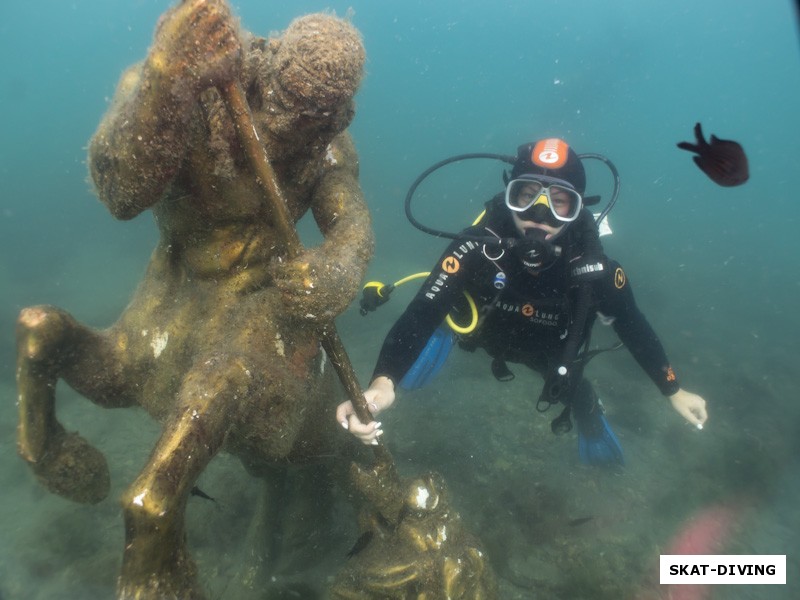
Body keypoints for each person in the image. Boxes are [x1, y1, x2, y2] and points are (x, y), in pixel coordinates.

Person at [336, 137, 708, 466]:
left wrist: (672, 388)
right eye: (526, 197)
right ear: (509, 195)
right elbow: (423, 311)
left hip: (548, 353)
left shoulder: (594, 270)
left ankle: (591, 421)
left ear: (578, 210)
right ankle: (443, 340)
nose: (540, 216)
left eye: (559, 203)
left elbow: (632, 323)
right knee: (444, 318)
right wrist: (383, 382)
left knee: (575, 391)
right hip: (478, 331)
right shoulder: (477, 245)